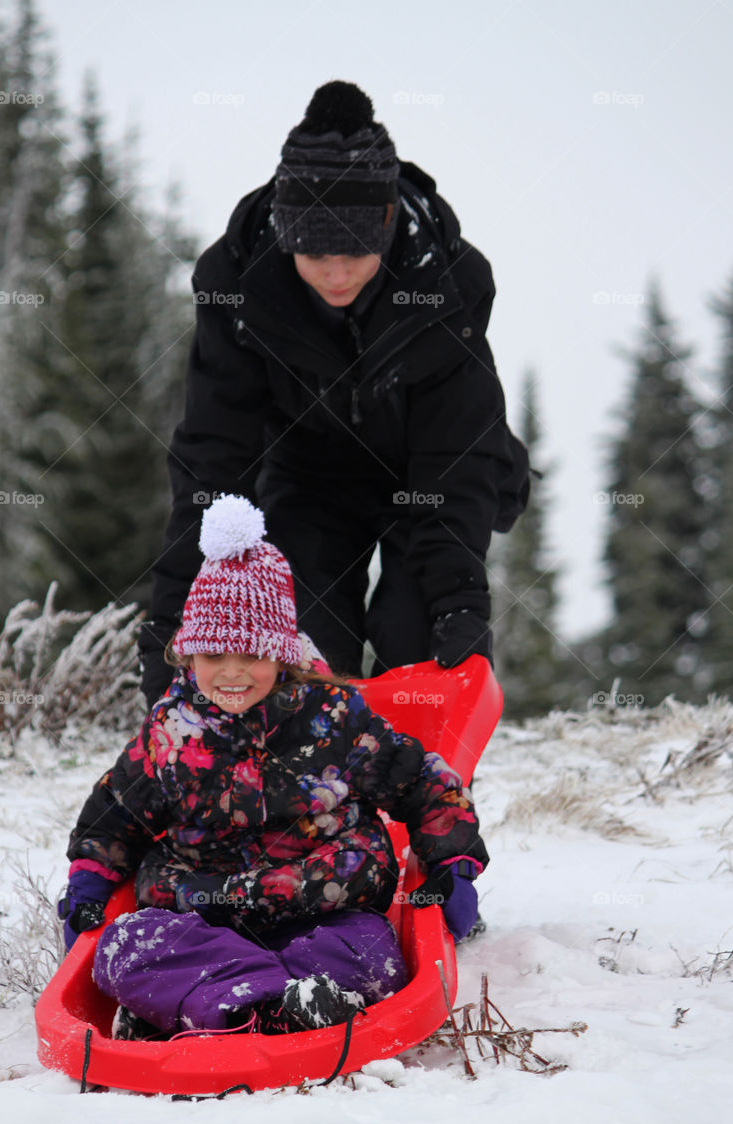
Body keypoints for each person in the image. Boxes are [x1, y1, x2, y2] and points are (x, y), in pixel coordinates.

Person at [139, 79, 530, 709]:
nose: (336, 273)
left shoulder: (448, 284)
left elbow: (456, 454)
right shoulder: (239, 287)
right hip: (310, 473)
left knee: (418, 631)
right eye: (314, 252)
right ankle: (315, 793)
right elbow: (213, 456)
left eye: (354, 250)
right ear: (288, 232)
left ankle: (420, 792)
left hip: (424, 473)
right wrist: (174, 618)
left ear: (386, 221)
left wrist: (460, 601)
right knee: (303, 643)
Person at [59, 495, 488, 1039]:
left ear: (282, 654)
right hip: (203, 912)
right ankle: (262, 1002)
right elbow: (115, 814)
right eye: (214, 656)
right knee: (125, 947)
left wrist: (454, 867)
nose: (232, 674)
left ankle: (226, 1005)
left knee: (371, 952)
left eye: (252, 657)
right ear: (189, 656)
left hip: (323, 903)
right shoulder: (171, 732)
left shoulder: (333, 718)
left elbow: (423, 785)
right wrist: (90, 883)